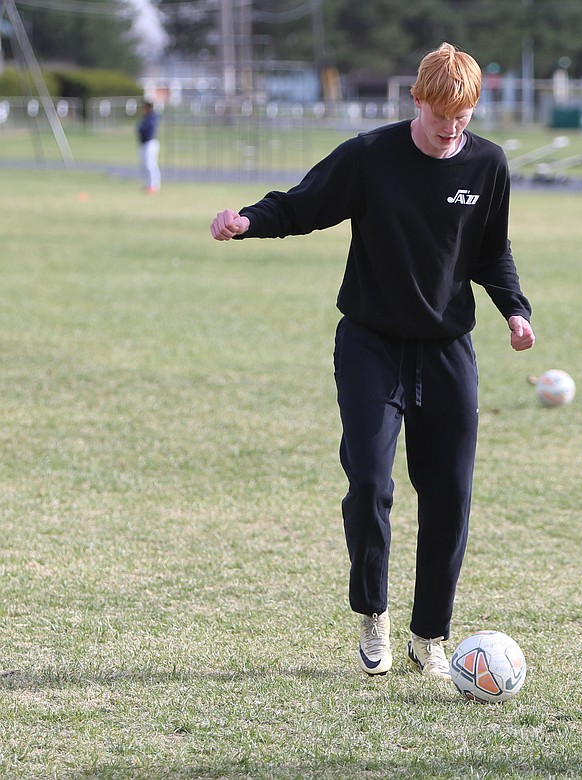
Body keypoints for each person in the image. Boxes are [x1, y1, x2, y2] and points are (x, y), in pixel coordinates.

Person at [209, 42, 536, 681]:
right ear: (416, 100)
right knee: (369, 483)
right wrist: (248, 220)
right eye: (440, 114)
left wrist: (514, 309)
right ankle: (373, 617)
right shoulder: (370, 156)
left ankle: (430, 637)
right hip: (371, 344)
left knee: (449, 495)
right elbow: (303, 205)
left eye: (462, 117)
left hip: (446, 350)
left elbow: (490, 252)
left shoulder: (488, 165)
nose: (450, 130)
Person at [137, 100, 160, 195]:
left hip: (150, 143)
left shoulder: (152, 117)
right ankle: (147, 184)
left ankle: (154, 185)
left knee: (150, 164)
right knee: (144, 165)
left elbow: (148, 129)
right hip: (143, 143)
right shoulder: (145, 118)